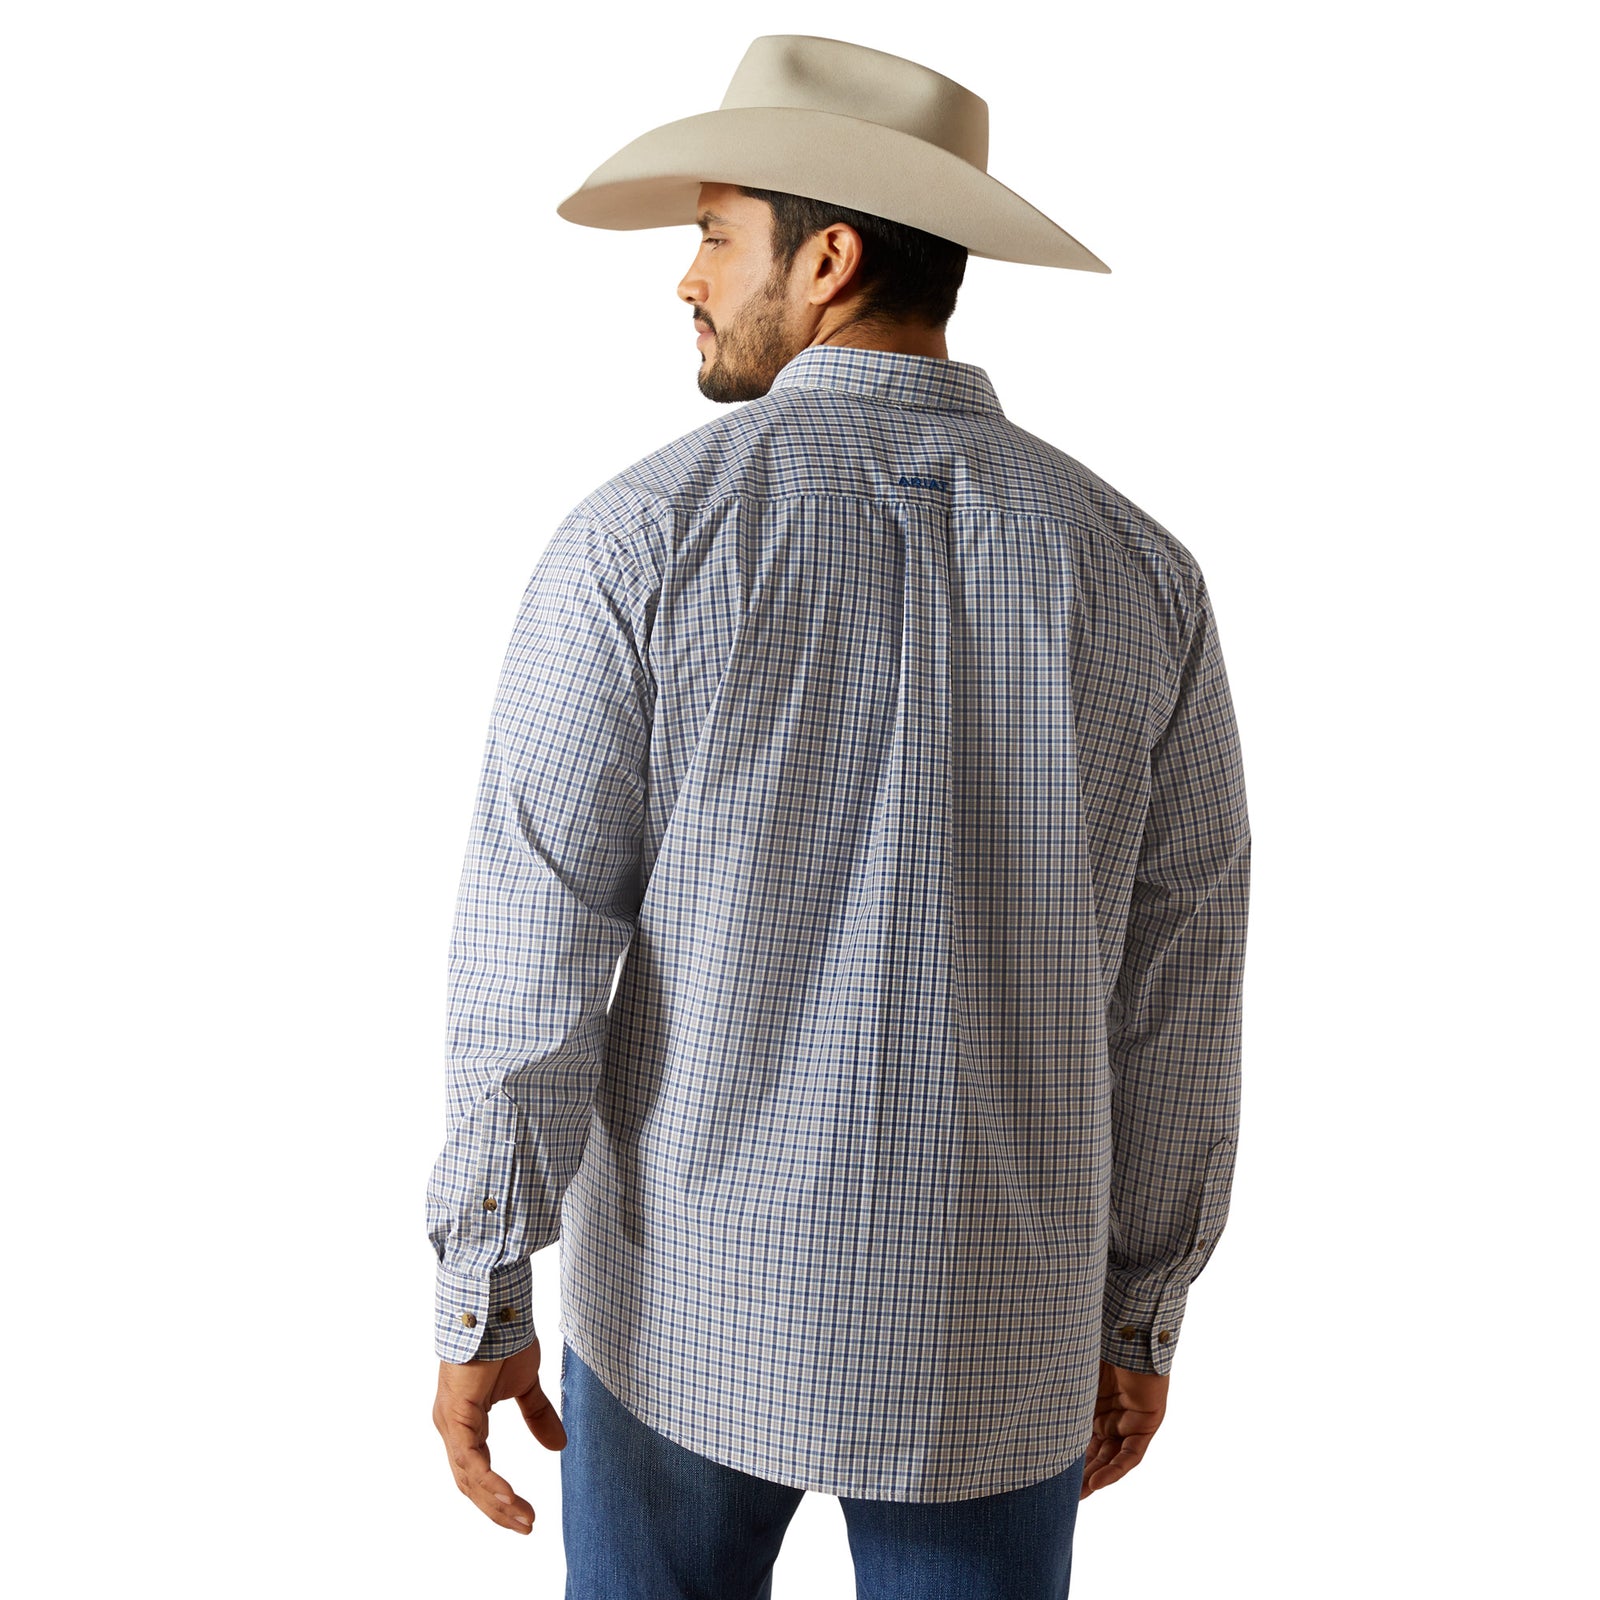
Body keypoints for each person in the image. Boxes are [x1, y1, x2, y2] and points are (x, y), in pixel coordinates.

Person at [426, 33, 1250, 1600]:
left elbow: (532, 946)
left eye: (713, 233)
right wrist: (1144, 1309)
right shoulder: (1139, 572)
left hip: (683, 1307)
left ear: (829, 259)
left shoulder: (638, 541)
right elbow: (1180, 987)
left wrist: (485, 1289)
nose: (686, 278)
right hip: (997, 1329)